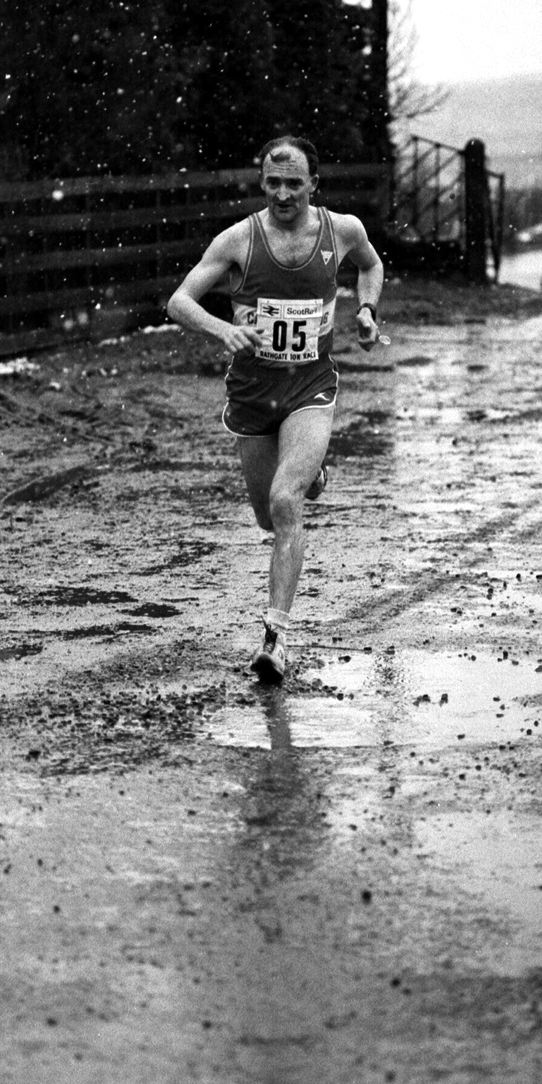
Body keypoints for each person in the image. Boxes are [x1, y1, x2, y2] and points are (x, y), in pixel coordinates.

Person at [166, 136, 384, 683]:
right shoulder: (240, 239)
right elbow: (179, 300)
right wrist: (223, 329)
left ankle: (275, 638)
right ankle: (311, 473)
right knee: (268, 515)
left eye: (294, 183)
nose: (283, 194)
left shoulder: (343, 230)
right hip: (252, 395)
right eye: (273, 183)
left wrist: (365, 309)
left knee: (285, 503)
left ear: (315, 183)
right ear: (262, 184)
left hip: (310, 386)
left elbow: (371, 265)